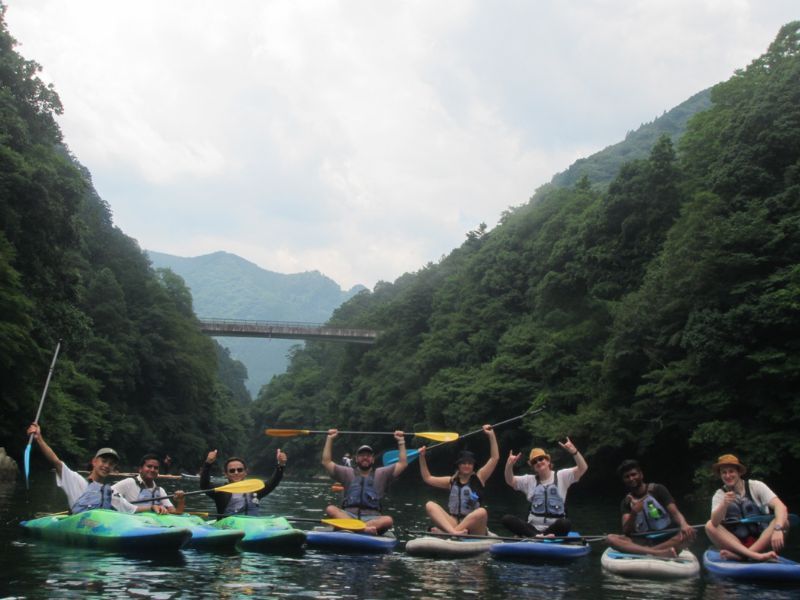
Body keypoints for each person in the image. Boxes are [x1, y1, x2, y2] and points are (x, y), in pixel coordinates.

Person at [26, 423, 141, 514]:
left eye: (111, 464)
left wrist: (153, 507)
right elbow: (56, 462)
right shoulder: (76, 481)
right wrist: (39, 439)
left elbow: (132, 509)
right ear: (94, 462)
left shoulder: (111, 493)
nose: (106, 466)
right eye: (104, 461)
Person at [704, 453, 789, 562]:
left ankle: (744, 557)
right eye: (723, 472)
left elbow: (780, 506)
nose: (727, 476)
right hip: (737, 545)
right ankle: (752, 555)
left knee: (783, 521)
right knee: (709, 525)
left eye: (731, 471)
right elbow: (715, 522)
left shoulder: (756, 486)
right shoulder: (719, 495)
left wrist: (778, 528)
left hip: (762, 541)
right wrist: (724, 504)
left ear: (739, 472)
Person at [322, 429, 407, 535]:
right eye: (362, 455)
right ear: (356, 459)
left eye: (368, 455)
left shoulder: (381, 473)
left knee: (388, 520)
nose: (365, 457)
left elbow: (402, 464)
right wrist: (329, 439)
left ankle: (354, 528)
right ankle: (362, 530)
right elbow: (326, 462)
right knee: (331, 509)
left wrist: (401, 441)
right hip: (348, 515)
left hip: (372, 519)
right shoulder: (347, 472)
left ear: (373, 460)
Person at [419, 424, 498, 535]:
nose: (467, 465)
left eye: (470, 463)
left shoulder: (480, 477)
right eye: (463, 463)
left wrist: (491, 435)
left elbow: (495, 458)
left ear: (473, 466)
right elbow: (427, 478)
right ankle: (453, 532)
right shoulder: (451, 481)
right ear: (459, 466)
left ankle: (447, 533)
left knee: (482, 512)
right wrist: (422, 457)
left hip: (474, 527)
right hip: (454, 522)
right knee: (430, 505)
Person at [606, 459, 695, 558]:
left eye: (633, 474)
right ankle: (659, 553)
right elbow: (627, 531)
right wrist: (634, 512)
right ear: (624, 480)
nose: (631, 478)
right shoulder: (626, 502)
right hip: (641, 540)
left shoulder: (658, 489)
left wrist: (684, 524)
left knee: (690, 534)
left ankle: (648, 552)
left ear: (641, 474)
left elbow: (675, 513)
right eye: (627, 477)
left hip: (666, 537)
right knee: (610, 538)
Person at [501, 438, 587, 537]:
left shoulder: (562, 476)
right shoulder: (529, 480)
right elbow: (510, 480)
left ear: (548, 461)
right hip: (533, 528)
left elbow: (583, 468)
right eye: (534, 462)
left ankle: (540, 536)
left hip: (554, 527)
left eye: (541, 459)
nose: (538, 462)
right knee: (506, 519)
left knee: (565, 523)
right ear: (533, 467)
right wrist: (509, 465)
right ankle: (536, 536)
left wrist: (574, 452)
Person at [201, 448, 287, 516]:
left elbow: (273, 482)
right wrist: (208, 463)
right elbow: (204, 485)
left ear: (245, 472)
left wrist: (281, 465)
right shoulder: (220, 491)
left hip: (253, 527)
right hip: (228, 528)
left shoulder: (255, 489)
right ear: (226, 474)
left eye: (239, 470)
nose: (236, 473)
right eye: (232, 471)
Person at [112, 453, 184, 515]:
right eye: (149, 466)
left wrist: (181, 501)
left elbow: (175, 513)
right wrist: (122, 503)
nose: (152, 470)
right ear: (140, 469)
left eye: (156, 468)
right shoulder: (129, 483)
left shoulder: (160, 491)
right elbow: (108, 493)